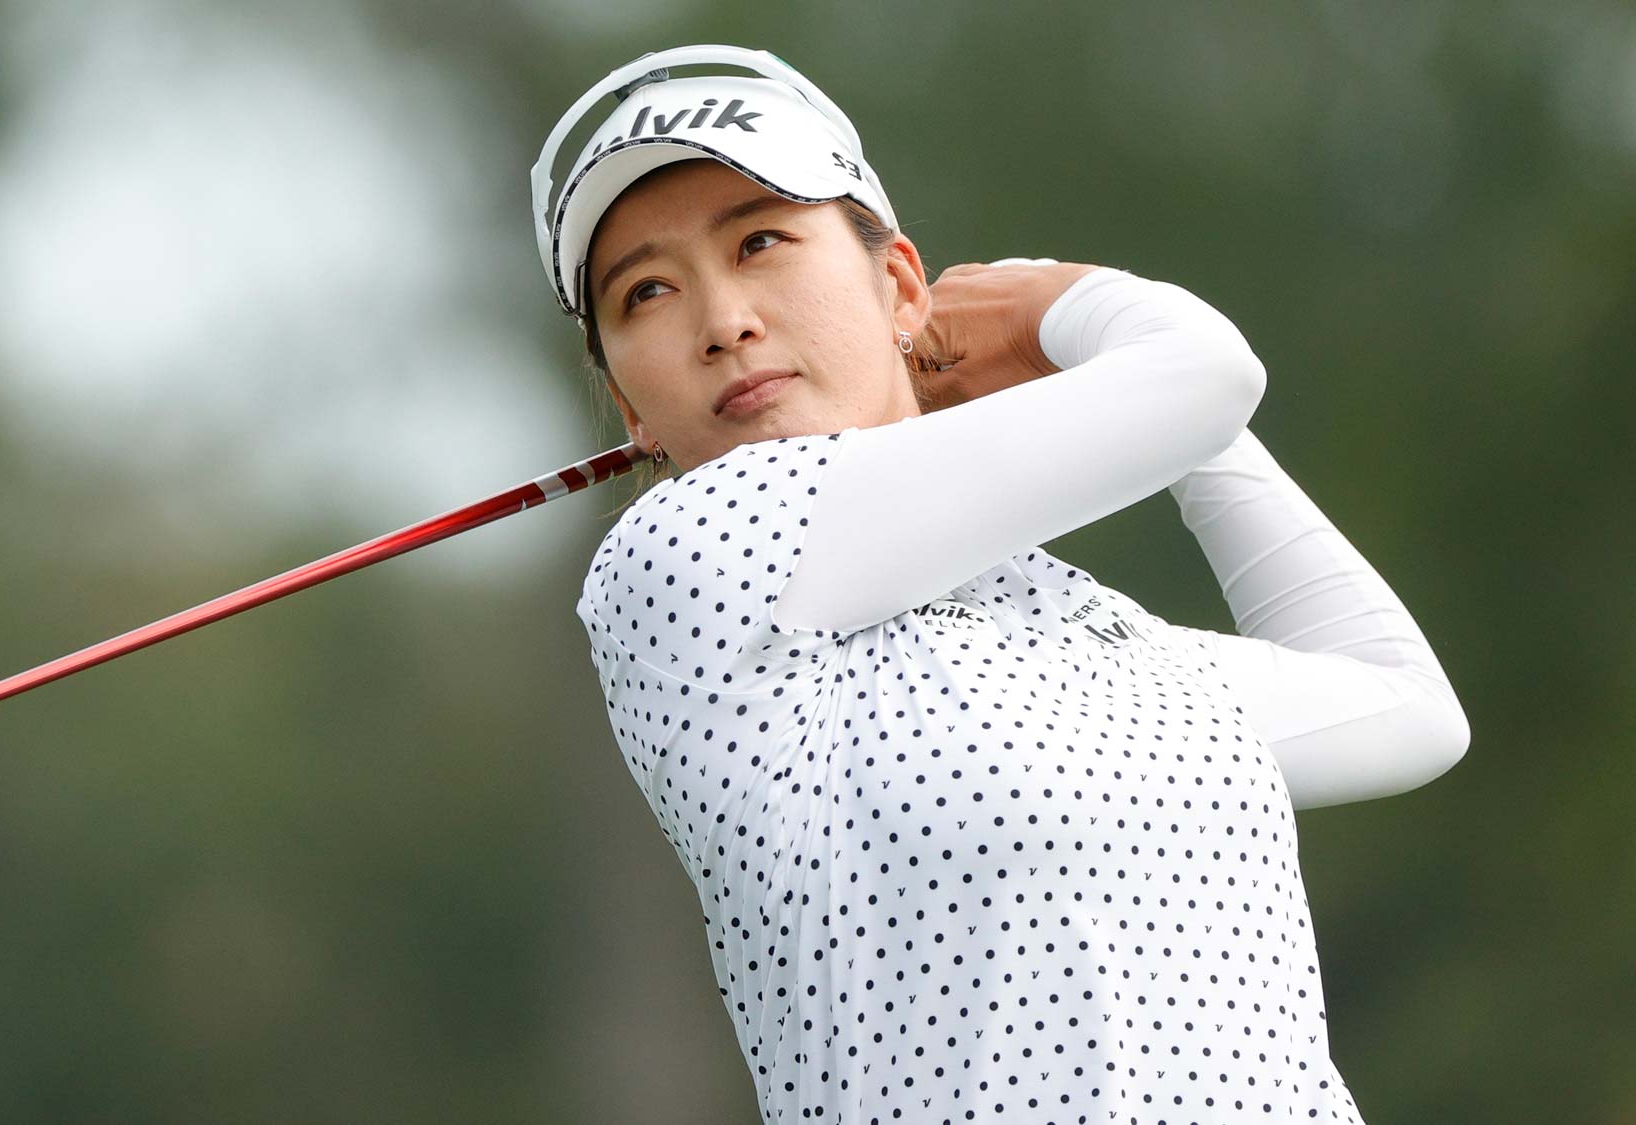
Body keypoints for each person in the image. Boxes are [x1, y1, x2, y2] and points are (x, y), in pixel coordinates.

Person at [533, 45, 1469, 1124]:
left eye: (761, 240)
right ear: (627, 406)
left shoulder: (1082, 632)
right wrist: (1067, 311)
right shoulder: (685, 559)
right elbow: (1205, 370)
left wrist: (1182, 434)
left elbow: (1402, 705)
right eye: (644, 290)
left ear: (896, 287)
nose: (722, 321)